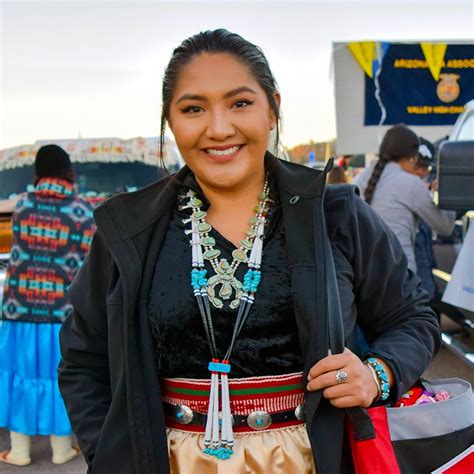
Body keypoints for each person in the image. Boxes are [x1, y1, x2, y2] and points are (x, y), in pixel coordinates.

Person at [58, 30, 440, 474]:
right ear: (170, 119)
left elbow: (412, 318)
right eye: (193, 108)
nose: (218, 128)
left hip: (310, 460)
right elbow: (83, 359)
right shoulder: (127, 230)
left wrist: (378, 374)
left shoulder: (335, 215)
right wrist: (110, 453)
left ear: (273, 108)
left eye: (240, 103)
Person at [0, 145, 95, 466]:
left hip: (20, 313)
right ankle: (61, 450)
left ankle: (20, 452)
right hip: (61, 314)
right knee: (60, 380)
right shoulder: (82, 212)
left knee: (19, 376)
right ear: (68, 172)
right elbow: (86, 266)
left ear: (38, 173)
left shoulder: (23, 207)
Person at [352, 125, 455, 272]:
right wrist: (447, 191)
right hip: (399, 277)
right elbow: (445, 227)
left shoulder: (357, 181)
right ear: (412, 157)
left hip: (362, 276)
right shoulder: (411, 183)